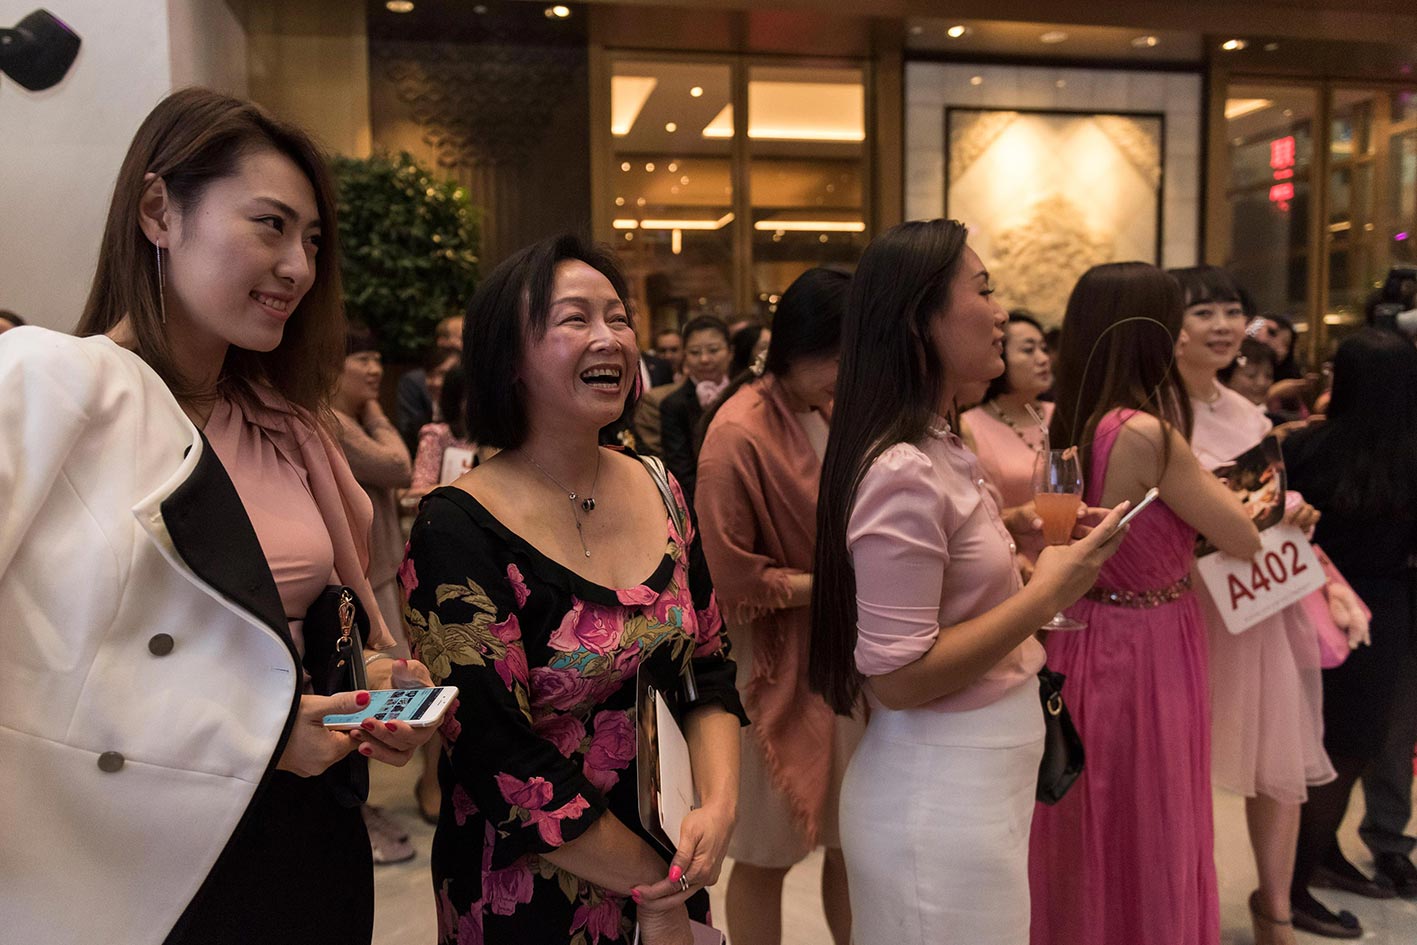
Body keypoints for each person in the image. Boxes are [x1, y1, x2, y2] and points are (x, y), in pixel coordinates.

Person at [0, 88, 439, 945]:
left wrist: (373, 686)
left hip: (307, 841)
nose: (298, 267)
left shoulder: (289, 428)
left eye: (313, 241)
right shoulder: (53, 386)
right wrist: (257, 737)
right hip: (130, 868)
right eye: (270, 225)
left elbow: (293, 635)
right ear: (158, 212)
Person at [399, 233, 747, 945]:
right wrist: (658, 880)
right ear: (509, 358)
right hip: (527, 892)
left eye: (618, 317)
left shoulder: (661, 486)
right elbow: (496, 754)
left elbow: (707, 665)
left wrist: (717, 810)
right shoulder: (455, 527)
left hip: (672, 869)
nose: (609, 337)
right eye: (574, 319)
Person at [809, 219, 1130, 945]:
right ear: (918, 320)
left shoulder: (938, 444)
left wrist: (1021, 551)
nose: (1001, 313)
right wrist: (1046, 593)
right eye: (983, 291)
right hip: (938, 789)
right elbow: (897, 677)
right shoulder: (902, 467)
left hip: (973, 777)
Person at [1029, 262, 1262, 945]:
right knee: (1149, 814)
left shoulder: (1081, 420)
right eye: (1175, 319)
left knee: (1094, 816)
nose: (1184, 335)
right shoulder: (1145, 431)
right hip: (1146, 641)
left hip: (1088, 631)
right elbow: (1243, 537)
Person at [1170, 265, 1345, 945]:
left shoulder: (1247, 413)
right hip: (1185, 602)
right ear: (1170, 326)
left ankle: (1274, 911)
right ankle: (1185, 908)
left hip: (1255, 598)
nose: (1222, 326)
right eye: (1203, 312)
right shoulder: (1152, 415)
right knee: (1182, 767)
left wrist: (1292, 511)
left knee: (1277, 762)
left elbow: (1262, 502)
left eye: (1230, 311)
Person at [695, 268, 859, 945]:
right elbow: (728, 576)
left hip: (839, 654)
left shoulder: (828, 410)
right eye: (836, 356)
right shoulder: (739, 432)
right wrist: (839, 582)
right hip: (768, 667)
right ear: (795, 347)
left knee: (851, 841)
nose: (845, 373)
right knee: (766, 853)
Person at [1284, 329, 1417, 937]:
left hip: (1303, 601)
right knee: (1348, 748)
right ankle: (1295, 882)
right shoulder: (1407, 456)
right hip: (1375, 612)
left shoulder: (1305, 446)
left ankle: (1318, 857)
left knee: (1311, 741)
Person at [960, 311, 1054, 566]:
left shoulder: (1061, 415)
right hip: (1009, 560)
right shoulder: (968, 426)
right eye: (1028, 350)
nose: (1043, 359)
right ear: (999, 355)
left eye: (1044, 349)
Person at [659, 314, 731, 507]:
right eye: (695, 352)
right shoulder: (673, 405)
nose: (704, 359)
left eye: (713, 350)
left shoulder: (743, 393)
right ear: (685, 356)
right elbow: (681, 469)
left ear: (730, 351)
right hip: (700, 500)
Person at [395, 315, 463, 452]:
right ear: (442, 342)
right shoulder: (414, 381)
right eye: (461, 337)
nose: (436, 382)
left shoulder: (475, 385)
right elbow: (408, 432)